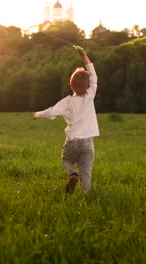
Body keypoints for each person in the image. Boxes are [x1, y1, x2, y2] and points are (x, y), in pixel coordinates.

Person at [33, 49, 99, 193]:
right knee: (86, 171)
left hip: (73, 141)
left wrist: (37, 114)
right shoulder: (90, 95)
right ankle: (85, 197)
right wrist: (84, 55)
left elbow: (51, 112)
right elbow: (93, 75)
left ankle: (72, 174)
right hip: (88, 143)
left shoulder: (67, 101)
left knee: (66, 160)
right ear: (89, 86)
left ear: (71, 86)